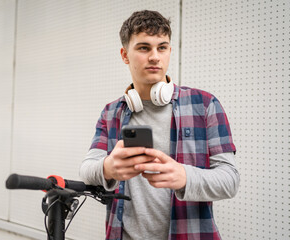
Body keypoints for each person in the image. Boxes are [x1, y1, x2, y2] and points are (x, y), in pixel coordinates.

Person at [80, 10, 239, 240]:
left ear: (169, 51)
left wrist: (184, 177)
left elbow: (230, 180)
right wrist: (107, 167)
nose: (155, 56)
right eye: (144, 48)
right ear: (125, 55)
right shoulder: (111, 112)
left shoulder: (205, 105)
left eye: (162, 48)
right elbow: (87, 169)